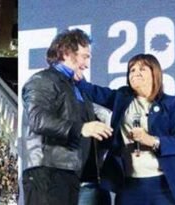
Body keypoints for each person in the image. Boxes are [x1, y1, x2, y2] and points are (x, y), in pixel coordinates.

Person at [21, 29, 113, 205]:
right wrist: (82, 128)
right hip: (47, 173)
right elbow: (38, 119)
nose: (87, 64)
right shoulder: (43, 79)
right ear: (66, 53)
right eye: (84, 56)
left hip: (70, 174)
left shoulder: (76, 88)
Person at [76, 54, 175, 205]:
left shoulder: (172, 104)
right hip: (129, 187)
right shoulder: (122, 97)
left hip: (164, 185)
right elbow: (92, 91)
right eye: (131, 70)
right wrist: (76, 74)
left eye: (142, 69)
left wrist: (152, 140)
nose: (135, 73)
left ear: (155, 73)